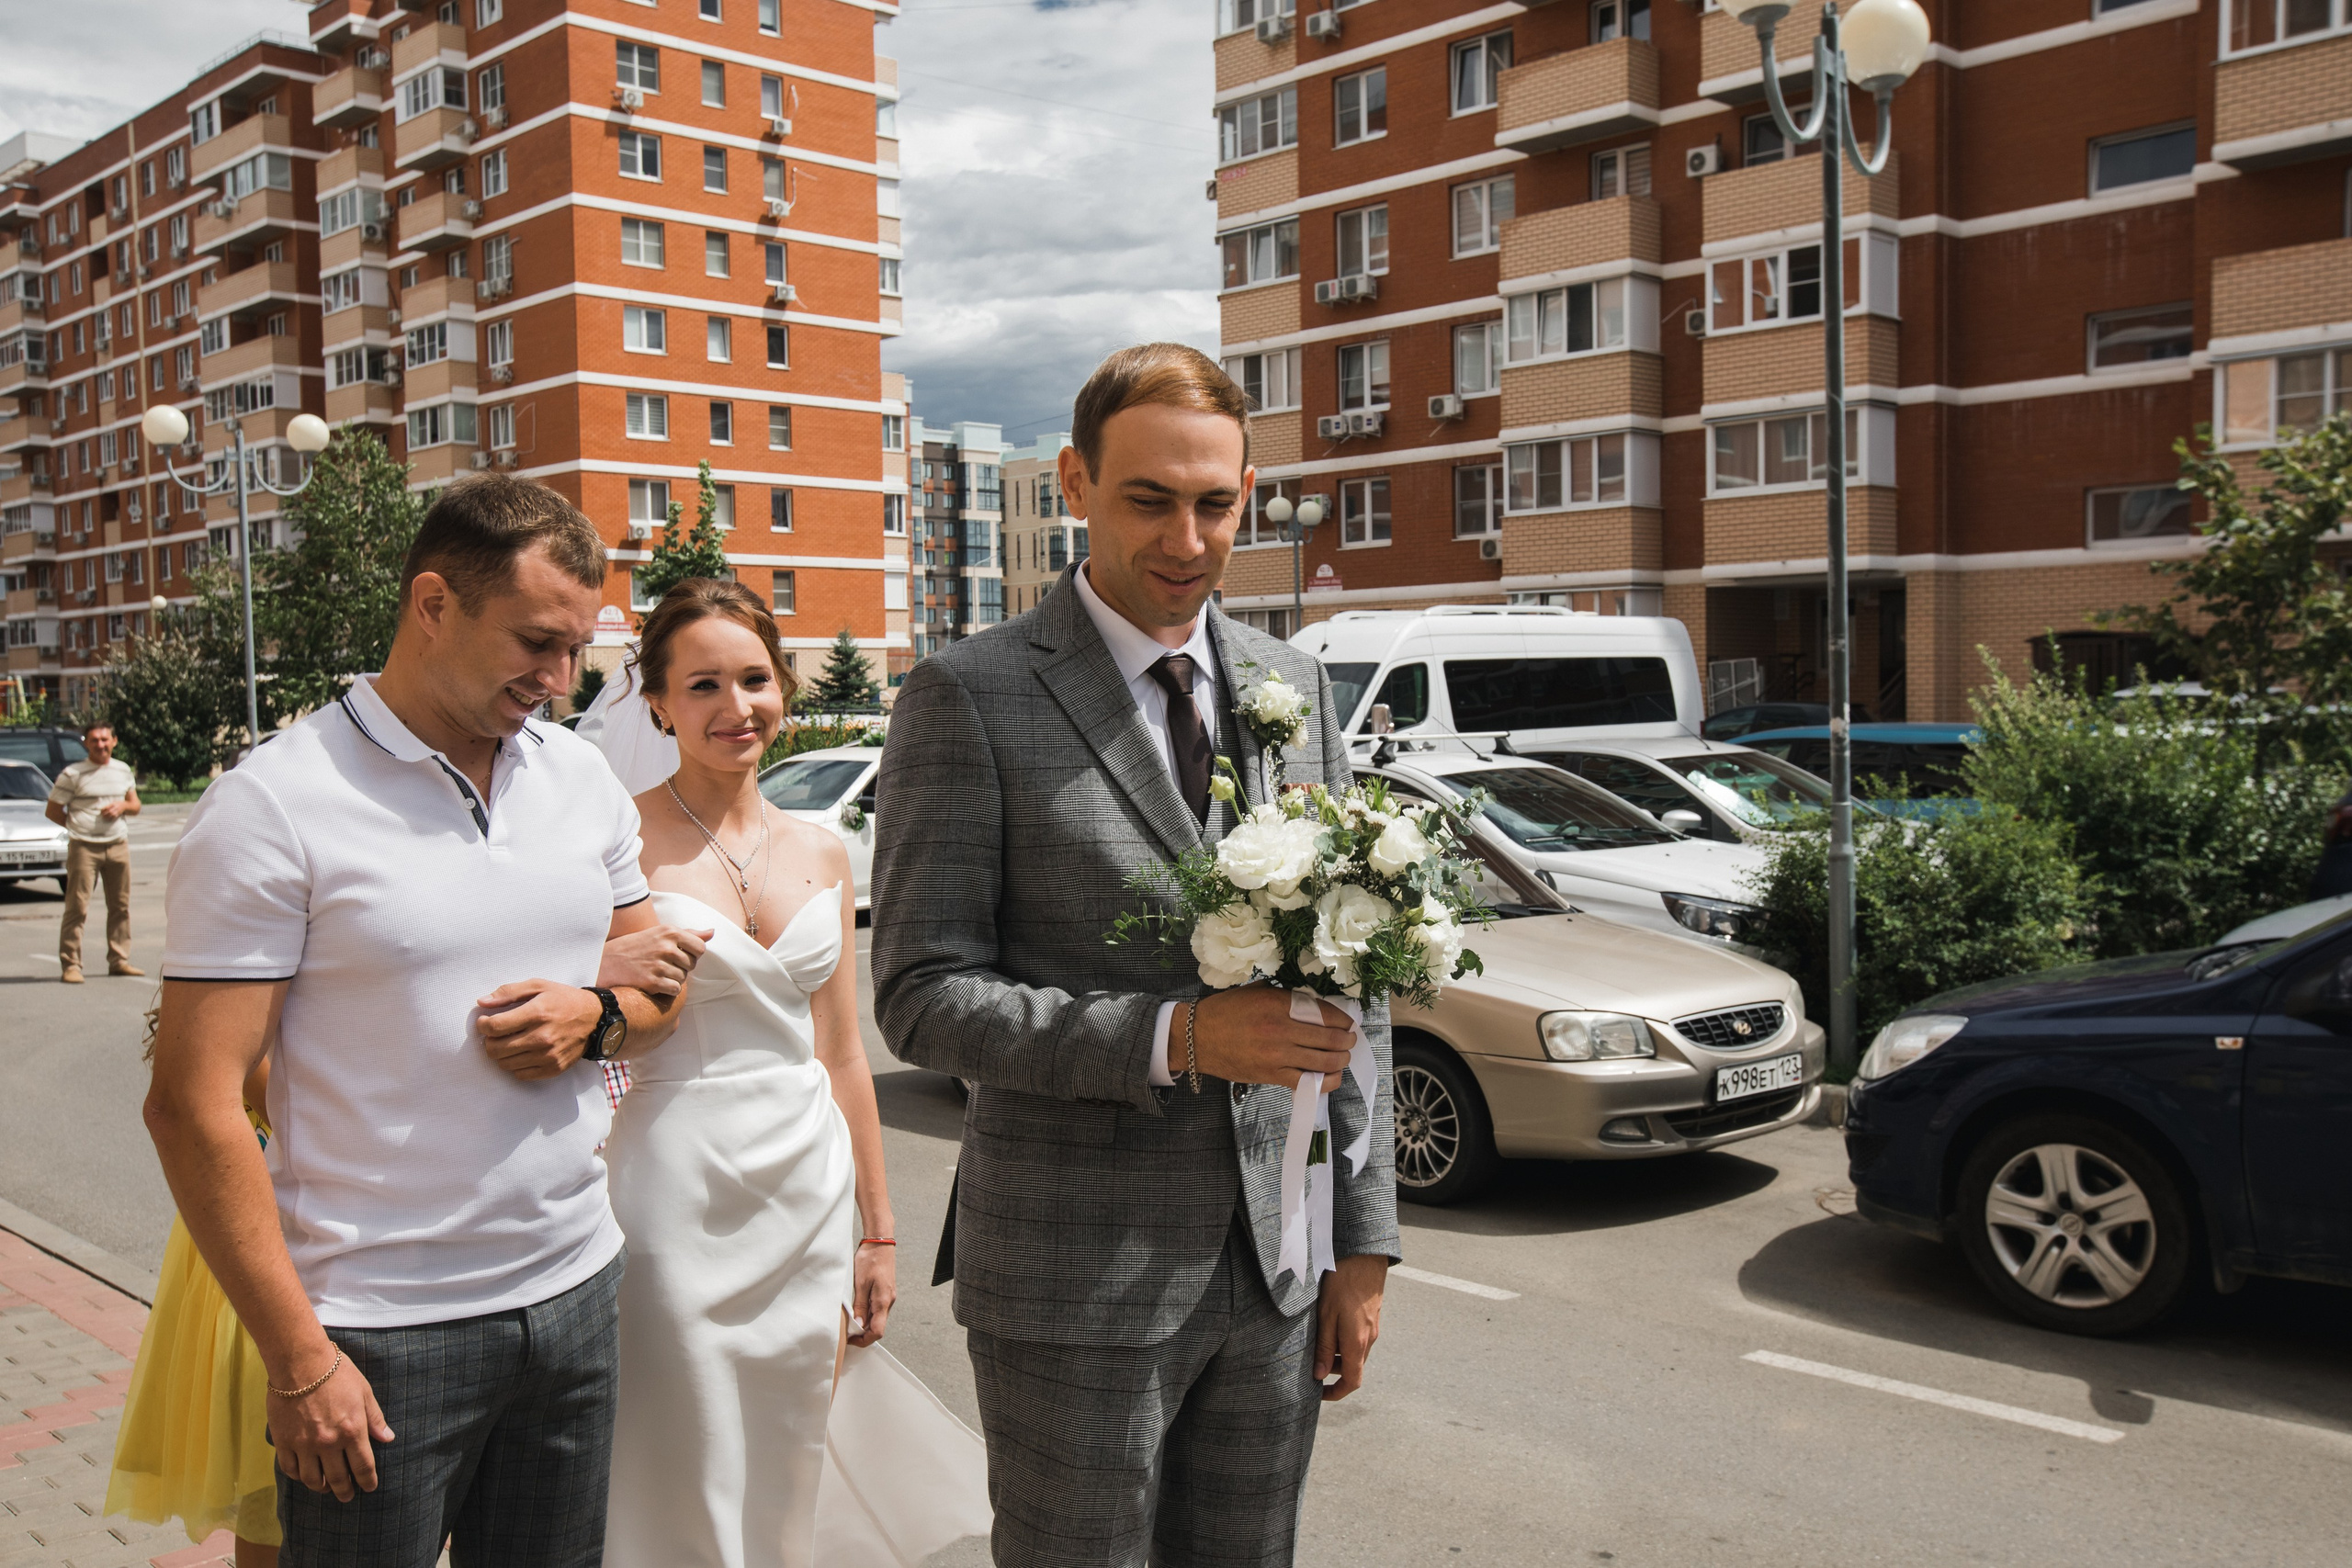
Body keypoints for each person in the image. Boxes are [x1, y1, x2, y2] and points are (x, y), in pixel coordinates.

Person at [871, 343, 1398, 1567]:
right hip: (1072, 1274)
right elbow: (919, 993)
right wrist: (1178, 1036)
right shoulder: (971, 694)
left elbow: (1349, 982)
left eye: (1217, 502)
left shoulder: (1295, 685)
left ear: (1250, 490)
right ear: (1075, 481)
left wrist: (1361, 1237)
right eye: (1149, 499)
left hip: (1275, 1266)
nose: (1187, 537)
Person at [142, 474, 689, 1568]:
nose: (560, 678)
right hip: (376, 1330)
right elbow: (191, 1104)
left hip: (576, 1289)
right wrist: (299, 1360)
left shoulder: (579, 777)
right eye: (537, 642)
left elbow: (659, 995)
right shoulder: (272, 805)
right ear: (433, 604)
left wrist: (594, 1019)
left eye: (580, 649)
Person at [594, 579, 987, 1568]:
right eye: (703, 686)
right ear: (656, 703)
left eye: (755, 679)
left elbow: (844, 1051)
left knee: (789, 1442)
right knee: (682, 1447)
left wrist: (879, 1229)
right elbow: (592, 1022)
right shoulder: (614, 842)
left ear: (785, 685)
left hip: (808, 1196)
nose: (737, 708)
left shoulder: (824, 848)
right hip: (672, 1188)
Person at [48, 720, 141, 983]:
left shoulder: (122, 770)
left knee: (120, 906)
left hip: (117, 844)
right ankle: (71, 964)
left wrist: (122, 806)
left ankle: (119, 960)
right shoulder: (72, 774)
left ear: (114, 741)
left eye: (105, 739)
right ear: (86, 743)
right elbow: (53, 810)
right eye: (95, 740)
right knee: (77, 906)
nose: (100, 744)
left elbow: (135, 805)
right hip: (84, 847)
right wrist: (79, 827)